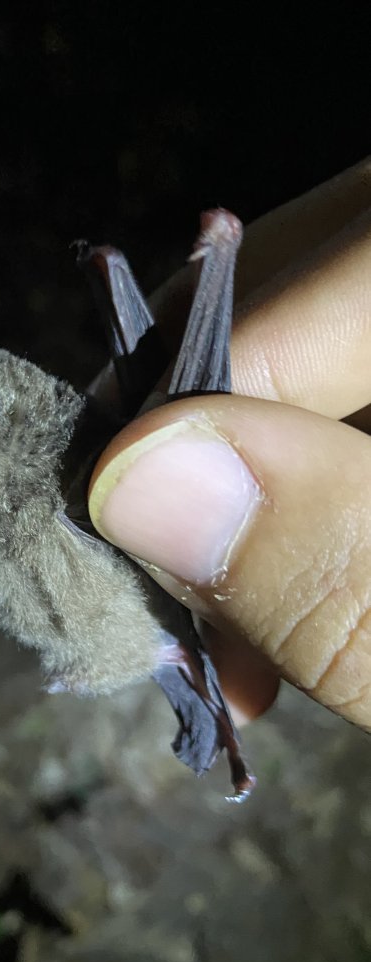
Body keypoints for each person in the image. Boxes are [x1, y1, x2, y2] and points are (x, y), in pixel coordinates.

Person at [88, 158, 371, 729]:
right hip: (141, 471)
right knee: (179, 404)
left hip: (144, 464)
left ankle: (214, 253)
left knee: (177, 406)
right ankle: (202, 254)